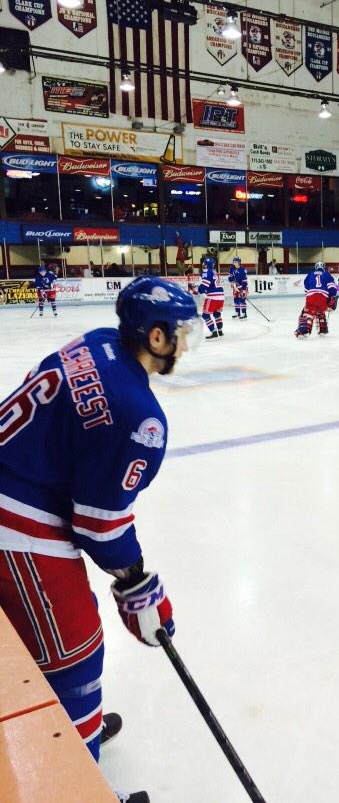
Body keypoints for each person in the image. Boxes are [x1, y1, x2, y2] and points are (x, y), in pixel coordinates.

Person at [0, 277, 201, 803]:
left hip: (16, 494)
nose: (185, 343)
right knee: (72, 652)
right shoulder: (140, 415)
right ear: (156, 338)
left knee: (50, 646)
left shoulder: (94, 341)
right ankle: (74, 782)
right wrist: (138, 586)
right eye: (180, 332)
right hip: (16, 524)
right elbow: (99, 523)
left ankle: (75, 730)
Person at [295, 262, 337, 337]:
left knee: (307, 312)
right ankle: (323, 329)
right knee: (321, 310)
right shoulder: (327, 273)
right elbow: (332, 287)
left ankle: (304, 330)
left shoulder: (311, 273)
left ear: (316, 267)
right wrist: (333, 297)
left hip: (312, 296)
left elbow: (306, 287)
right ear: (323, 267)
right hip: (324, 297)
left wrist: (309, 296)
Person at [198, 256, 225, 338]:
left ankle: (213, 332)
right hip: (221, 296)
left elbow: (205, 284)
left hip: (213, 297)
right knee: (217, 313)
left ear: (206, 264)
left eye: (204, 263)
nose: (203, 265)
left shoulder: (206, 271)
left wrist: (199, 290)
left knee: (205, 315)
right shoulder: (214, 272)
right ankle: (220, 331)